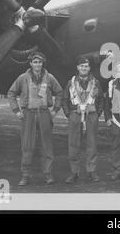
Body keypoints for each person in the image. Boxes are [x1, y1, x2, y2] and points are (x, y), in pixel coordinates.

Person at [7, 51, 63, 186]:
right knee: (27, 145)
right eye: (35, 62)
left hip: (44, 113)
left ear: (43, 63)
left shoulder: (49, 77)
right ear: (31, 63)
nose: (38, 64)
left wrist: (55, 109)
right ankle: (25, 175)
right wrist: (16, 110)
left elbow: (60, 92)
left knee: (47, 145)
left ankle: (48, 174)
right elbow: (11, 93)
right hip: (29, 114)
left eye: (40, 62)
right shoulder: (23, 78)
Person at [62, 56, 104, 184]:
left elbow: (101, 99)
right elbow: (65, 99)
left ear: (89, 68)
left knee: (92, 144)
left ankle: (92, 171)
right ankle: (74, 172)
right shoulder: (71, 82)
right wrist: (68, 114)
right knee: (73, 144)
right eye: (82, 66)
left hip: (91, 115)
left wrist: (97, 113)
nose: (84, 68)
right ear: (78, 67)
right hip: (75, 114)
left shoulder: (96, 82)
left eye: (86, 66)